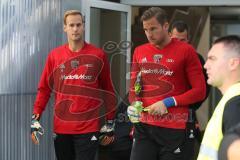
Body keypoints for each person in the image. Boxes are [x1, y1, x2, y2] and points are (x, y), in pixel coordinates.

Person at [30, 10, 116, 160]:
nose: (75, 29)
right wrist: (35, 118)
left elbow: (108, 89)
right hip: (62, 127)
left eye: (78, 24)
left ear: (83, 26)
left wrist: (110, 121)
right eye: (71, 25)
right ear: (65, 28)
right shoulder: (54, 56)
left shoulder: (98, 55)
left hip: (88, 128)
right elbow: (44, 89)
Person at [127, 7, 206, 160]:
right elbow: (133, 87)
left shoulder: (186, 51)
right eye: (145, 29)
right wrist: (133, 104)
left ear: (165, 26)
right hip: (144, 126)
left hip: (173, 128)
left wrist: (168, 102)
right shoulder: (139, 51)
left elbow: (200, 91)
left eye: (153, 28)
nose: (149, 34)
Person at [169, 20, 211, 160]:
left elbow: (205, 88)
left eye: (183, 40)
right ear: (169, 36)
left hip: (187, 112)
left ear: (188, 39)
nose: (179, 43)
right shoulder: (162, 56)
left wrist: (191, 107)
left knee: (186, 150)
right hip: (163, 113)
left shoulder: (196, 58)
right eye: (176, 39)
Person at [197, 35, 240, 160]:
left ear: (233, 63)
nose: (205, 65)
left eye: (212, 59)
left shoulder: (235, 103)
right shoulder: (230, 99)